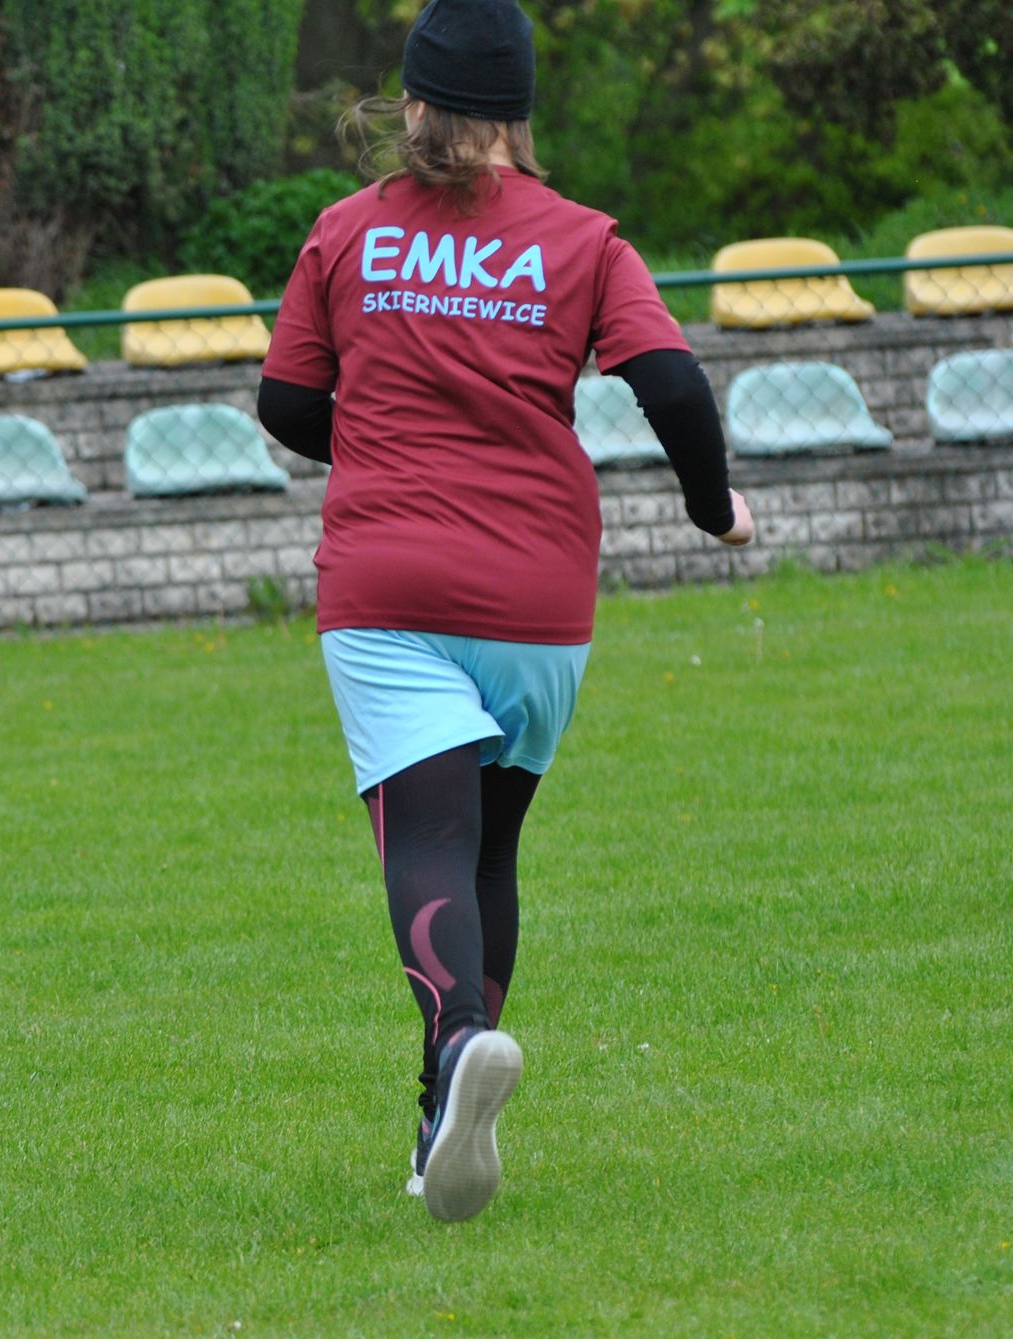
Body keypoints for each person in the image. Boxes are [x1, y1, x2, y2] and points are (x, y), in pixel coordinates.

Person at [257, 0, 753, 1223]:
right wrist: (710, 508)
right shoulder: (581, 238)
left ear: (411, 103)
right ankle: (440, 1119)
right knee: (488, 845)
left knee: (423, 839)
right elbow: (675, 387)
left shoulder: (345, 232)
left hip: (387, 586)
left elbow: (282, 402)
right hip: (539, 597)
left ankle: (460, 1044)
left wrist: (372, 443)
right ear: (518, 112)